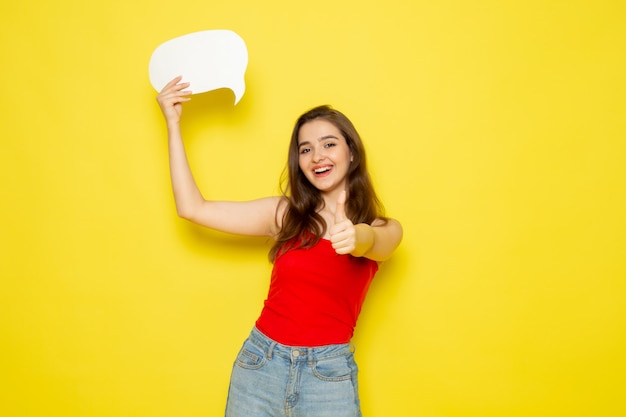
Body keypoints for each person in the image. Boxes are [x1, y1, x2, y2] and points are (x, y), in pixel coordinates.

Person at [156, 76, 403, 417]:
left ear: (351, 152)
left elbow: (377, 243)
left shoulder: (382, 228)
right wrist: (173, 122)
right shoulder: (284, 213)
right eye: (306, 149)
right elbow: (192, 208)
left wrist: (355, 237)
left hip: (328, 376)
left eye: (329, 144)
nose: (317, 156)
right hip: (261, 364)